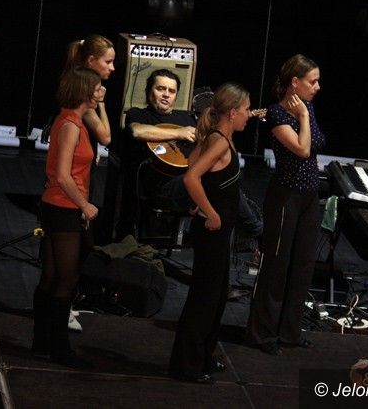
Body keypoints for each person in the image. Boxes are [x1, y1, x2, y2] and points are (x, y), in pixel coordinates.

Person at [116, 68, 263, 246]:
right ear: (149, 90)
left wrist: (244, 115)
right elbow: (137, 131)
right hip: (161, 190)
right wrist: (179, 133)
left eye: (171, 91)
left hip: (190, 186)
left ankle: (247, 233)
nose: (166, 94)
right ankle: (256, 230)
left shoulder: (187, 118)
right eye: (160, 89)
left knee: (223, 180)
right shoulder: (139, 114)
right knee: (220, 184)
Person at [169, 82, 252, 384]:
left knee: (216, 297)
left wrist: (199, 203)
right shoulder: (219, 142)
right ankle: (186, 365)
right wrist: (210, 211)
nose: (248, 116)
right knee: (204, 298)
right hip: (212, 230)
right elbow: (191, 177)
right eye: (245, 110)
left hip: (219, 232)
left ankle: (203, 355)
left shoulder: (218, 137)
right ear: (232, 112)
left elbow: (192, 163)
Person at [246, 54, 325, 355]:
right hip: (286, 197)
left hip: (309, 196)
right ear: (295, 82)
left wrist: (306, 115)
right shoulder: (278, 114)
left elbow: (318, 141)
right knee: (276, 266)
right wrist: (303, 117)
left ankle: (290, 331)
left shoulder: (308, 106)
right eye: (312, 81)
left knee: (302, 265)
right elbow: (304, 149)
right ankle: (262, 333)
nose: (317, 87)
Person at [31, 66, 106, 369]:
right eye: (97, 88)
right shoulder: (71, 124)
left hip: (58, 206)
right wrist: (84, 205)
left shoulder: (72, 120)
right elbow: (63, 175)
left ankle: (42, 341)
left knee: (51, 277)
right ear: (84, 91)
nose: (102, 91)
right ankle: (59, 348)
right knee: (66, 279)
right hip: (63, 208)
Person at [60, 34, 115, 331]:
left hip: (81, 172)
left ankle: (64, 302)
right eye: (108, 62)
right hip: (74, 178)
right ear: (91, 61)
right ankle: (62, 305)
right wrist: (101, 104)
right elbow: (105, 136)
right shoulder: (84, 96)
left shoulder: (83, 88)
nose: (112, 68)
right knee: (73, 246)